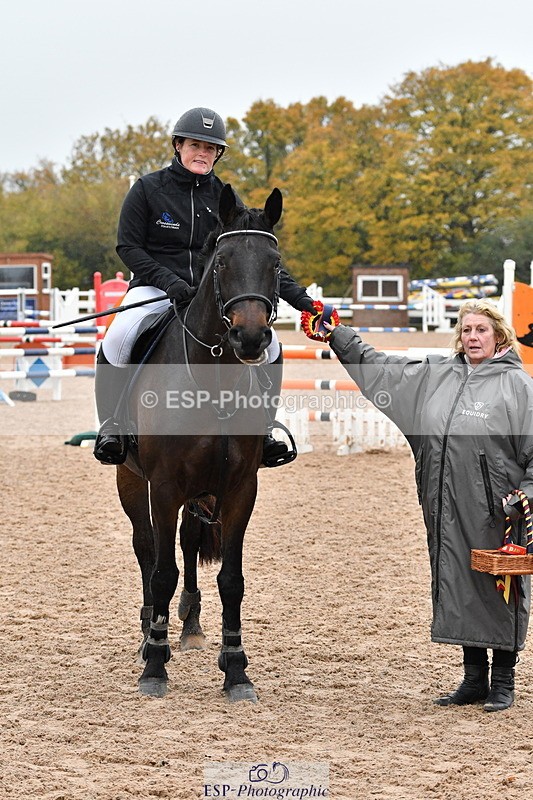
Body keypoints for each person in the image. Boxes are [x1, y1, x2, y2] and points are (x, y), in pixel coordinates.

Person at [324, 299, 533, 711]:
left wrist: (525, 495)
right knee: (457, 583)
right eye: (467, 329)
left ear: (500, 336)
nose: (473, 337)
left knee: (500, 589)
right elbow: (381, 368)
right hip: (444, 505)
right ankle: (473, 679)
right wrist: (337, 334)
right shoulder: (438, 375)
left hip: (499, 510)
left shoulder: (518, 387)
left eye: (482, 330)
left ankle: (503, 682)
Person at [93, 106, 316, 466]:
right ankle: (112, 426)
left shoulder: (226, 199)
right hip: (155, 289)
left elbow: (253, 258)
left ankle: (264, 430)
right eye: (196, 145)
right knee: (118, 338)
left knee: (271, 347)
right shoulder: (148, 189)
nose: (203, 153)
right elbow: (128, 247)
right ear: (178, 145)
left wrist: (305, 301)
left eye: (211, 148)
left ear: (218, 154)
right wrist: (169, 282)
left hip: (212, 295)